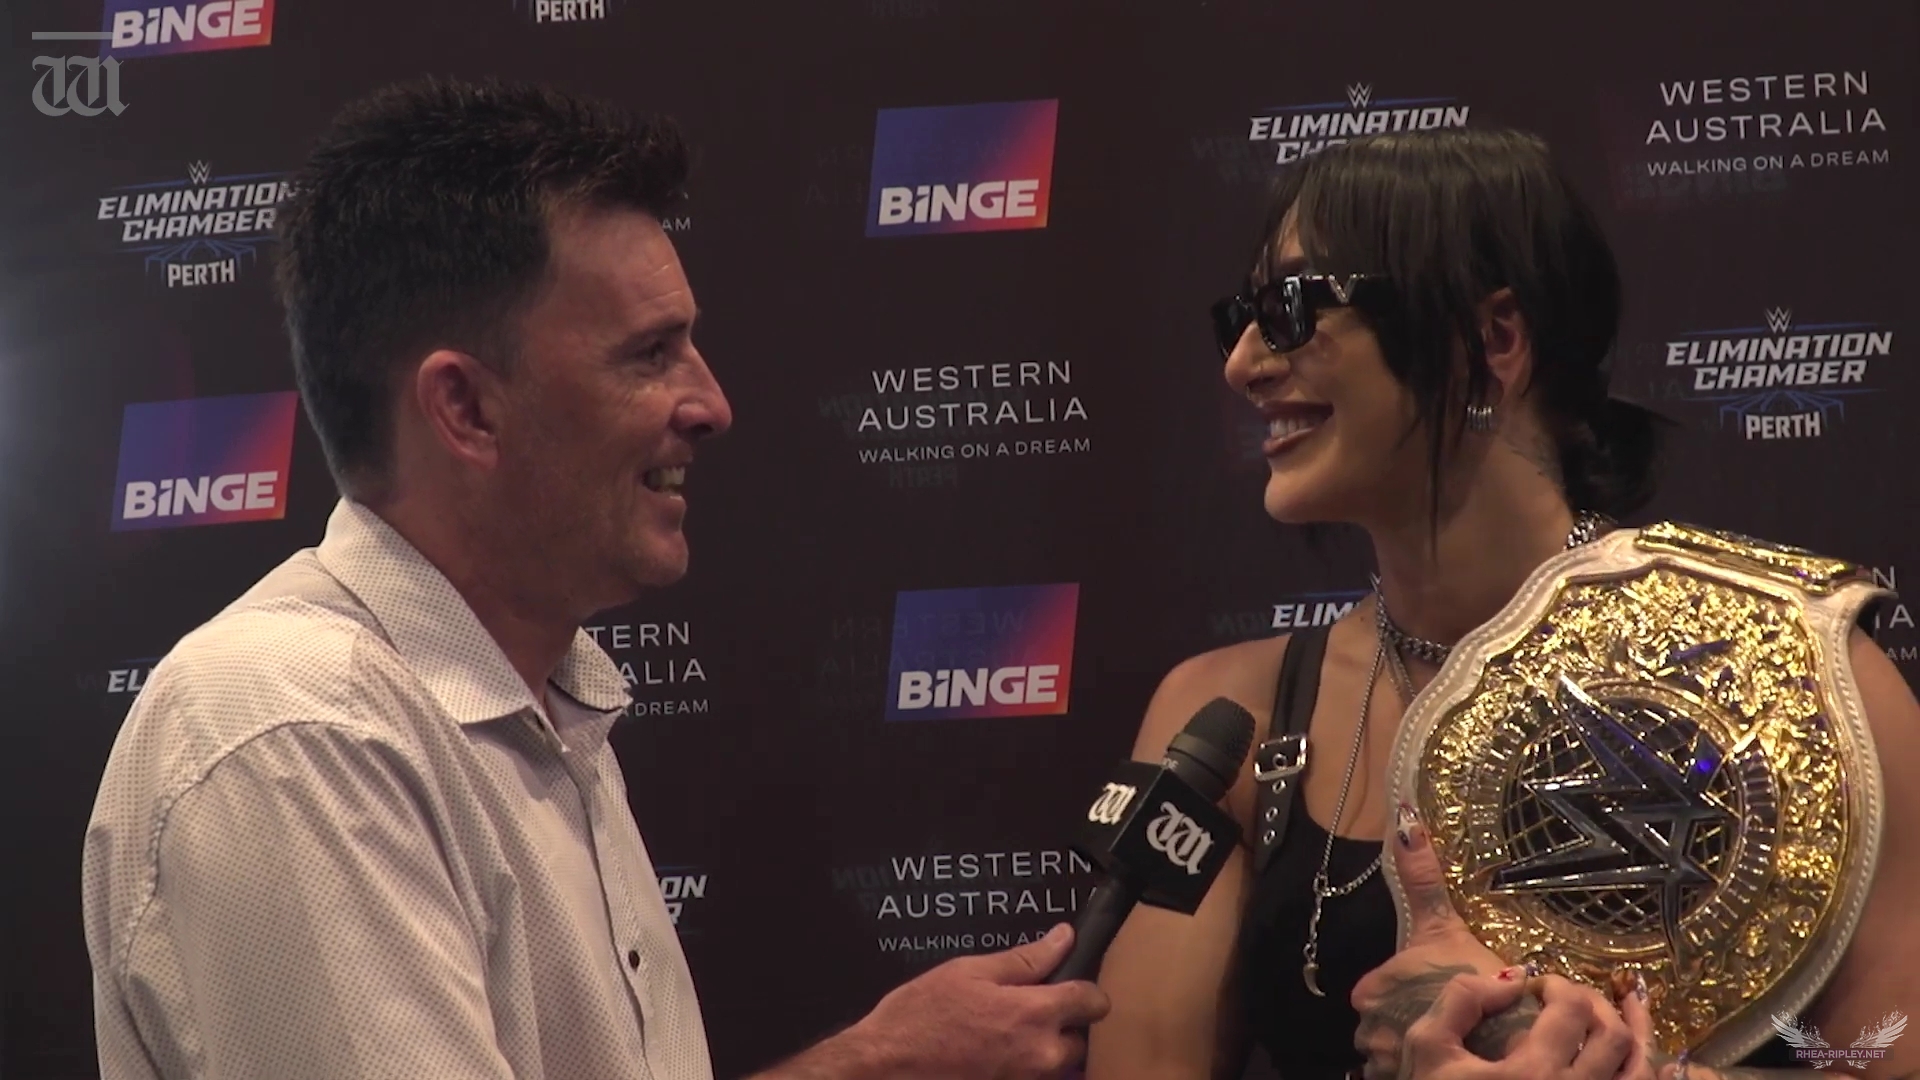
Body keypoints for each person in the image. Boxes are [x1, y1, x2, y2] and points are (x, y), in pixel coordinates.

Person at [80, 77, 1111, 1080]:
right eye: (649, 355)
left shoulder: (540, 703)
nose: (712, 405)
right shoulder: (294, 726)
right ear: (466, 410)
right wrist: (876, 1067)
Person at [1083, 127, 1920, 1080]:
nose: (1242, 364)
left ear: (1493, 340)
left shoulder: (1806, 675)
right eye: (1243, 316)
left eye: (1292, 309)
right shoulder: (1228, 721)